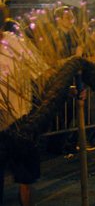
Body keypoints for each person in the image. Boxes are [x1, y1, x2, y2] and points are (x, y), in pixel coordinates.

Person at [0, 30, 43, 206]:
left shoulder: (16, 43)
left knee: (26, 178)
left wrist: (71, 89)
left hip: (21, 123)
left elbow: (43, 73)